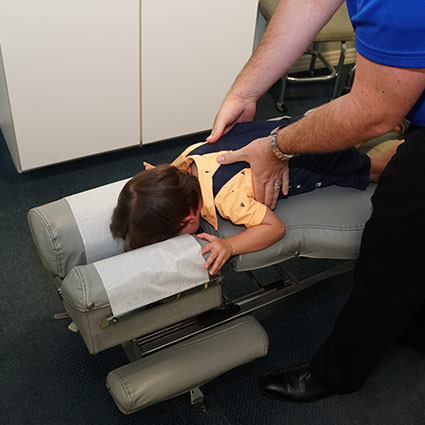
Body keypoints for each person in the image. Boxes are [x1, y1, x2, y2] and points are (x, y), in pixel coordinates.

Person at [206, 0, 425, 403]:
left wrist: (275, 148)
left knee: (390, 250)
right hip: (393, 112)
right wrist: (246, 89)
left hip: (358, 135)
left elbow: (370, 113)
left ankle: (336, 374)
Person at [110, 118, 399, 276]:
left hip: (319, 161)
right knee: (343, 131)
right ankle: (377, 123)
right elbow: (168, 175)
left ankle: (399, 143)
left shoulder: (228, 198)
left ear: (189, 219)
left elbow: (274, 228)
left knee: (376, 169)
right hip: (296, 130)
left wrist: (230, 245)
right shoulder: (188, 158)